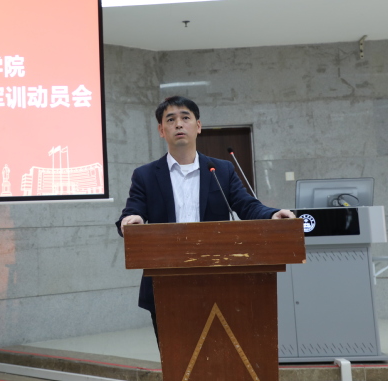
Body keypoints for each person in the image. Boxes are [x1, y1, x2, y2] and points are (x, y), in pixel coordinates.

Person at [115, 96, 296, 341]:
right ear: (161, 130)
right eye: (171, 119)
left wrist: (272, 214)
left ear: (198, 126)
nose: (179, 124)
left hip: (218, 278)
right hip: (165, 282)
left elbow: (245, 205)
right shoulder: (145, 175)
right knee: (174, 355)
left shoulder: (220, 170)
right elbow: (133, 211)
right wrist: (132, 219)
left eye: (185, 118)